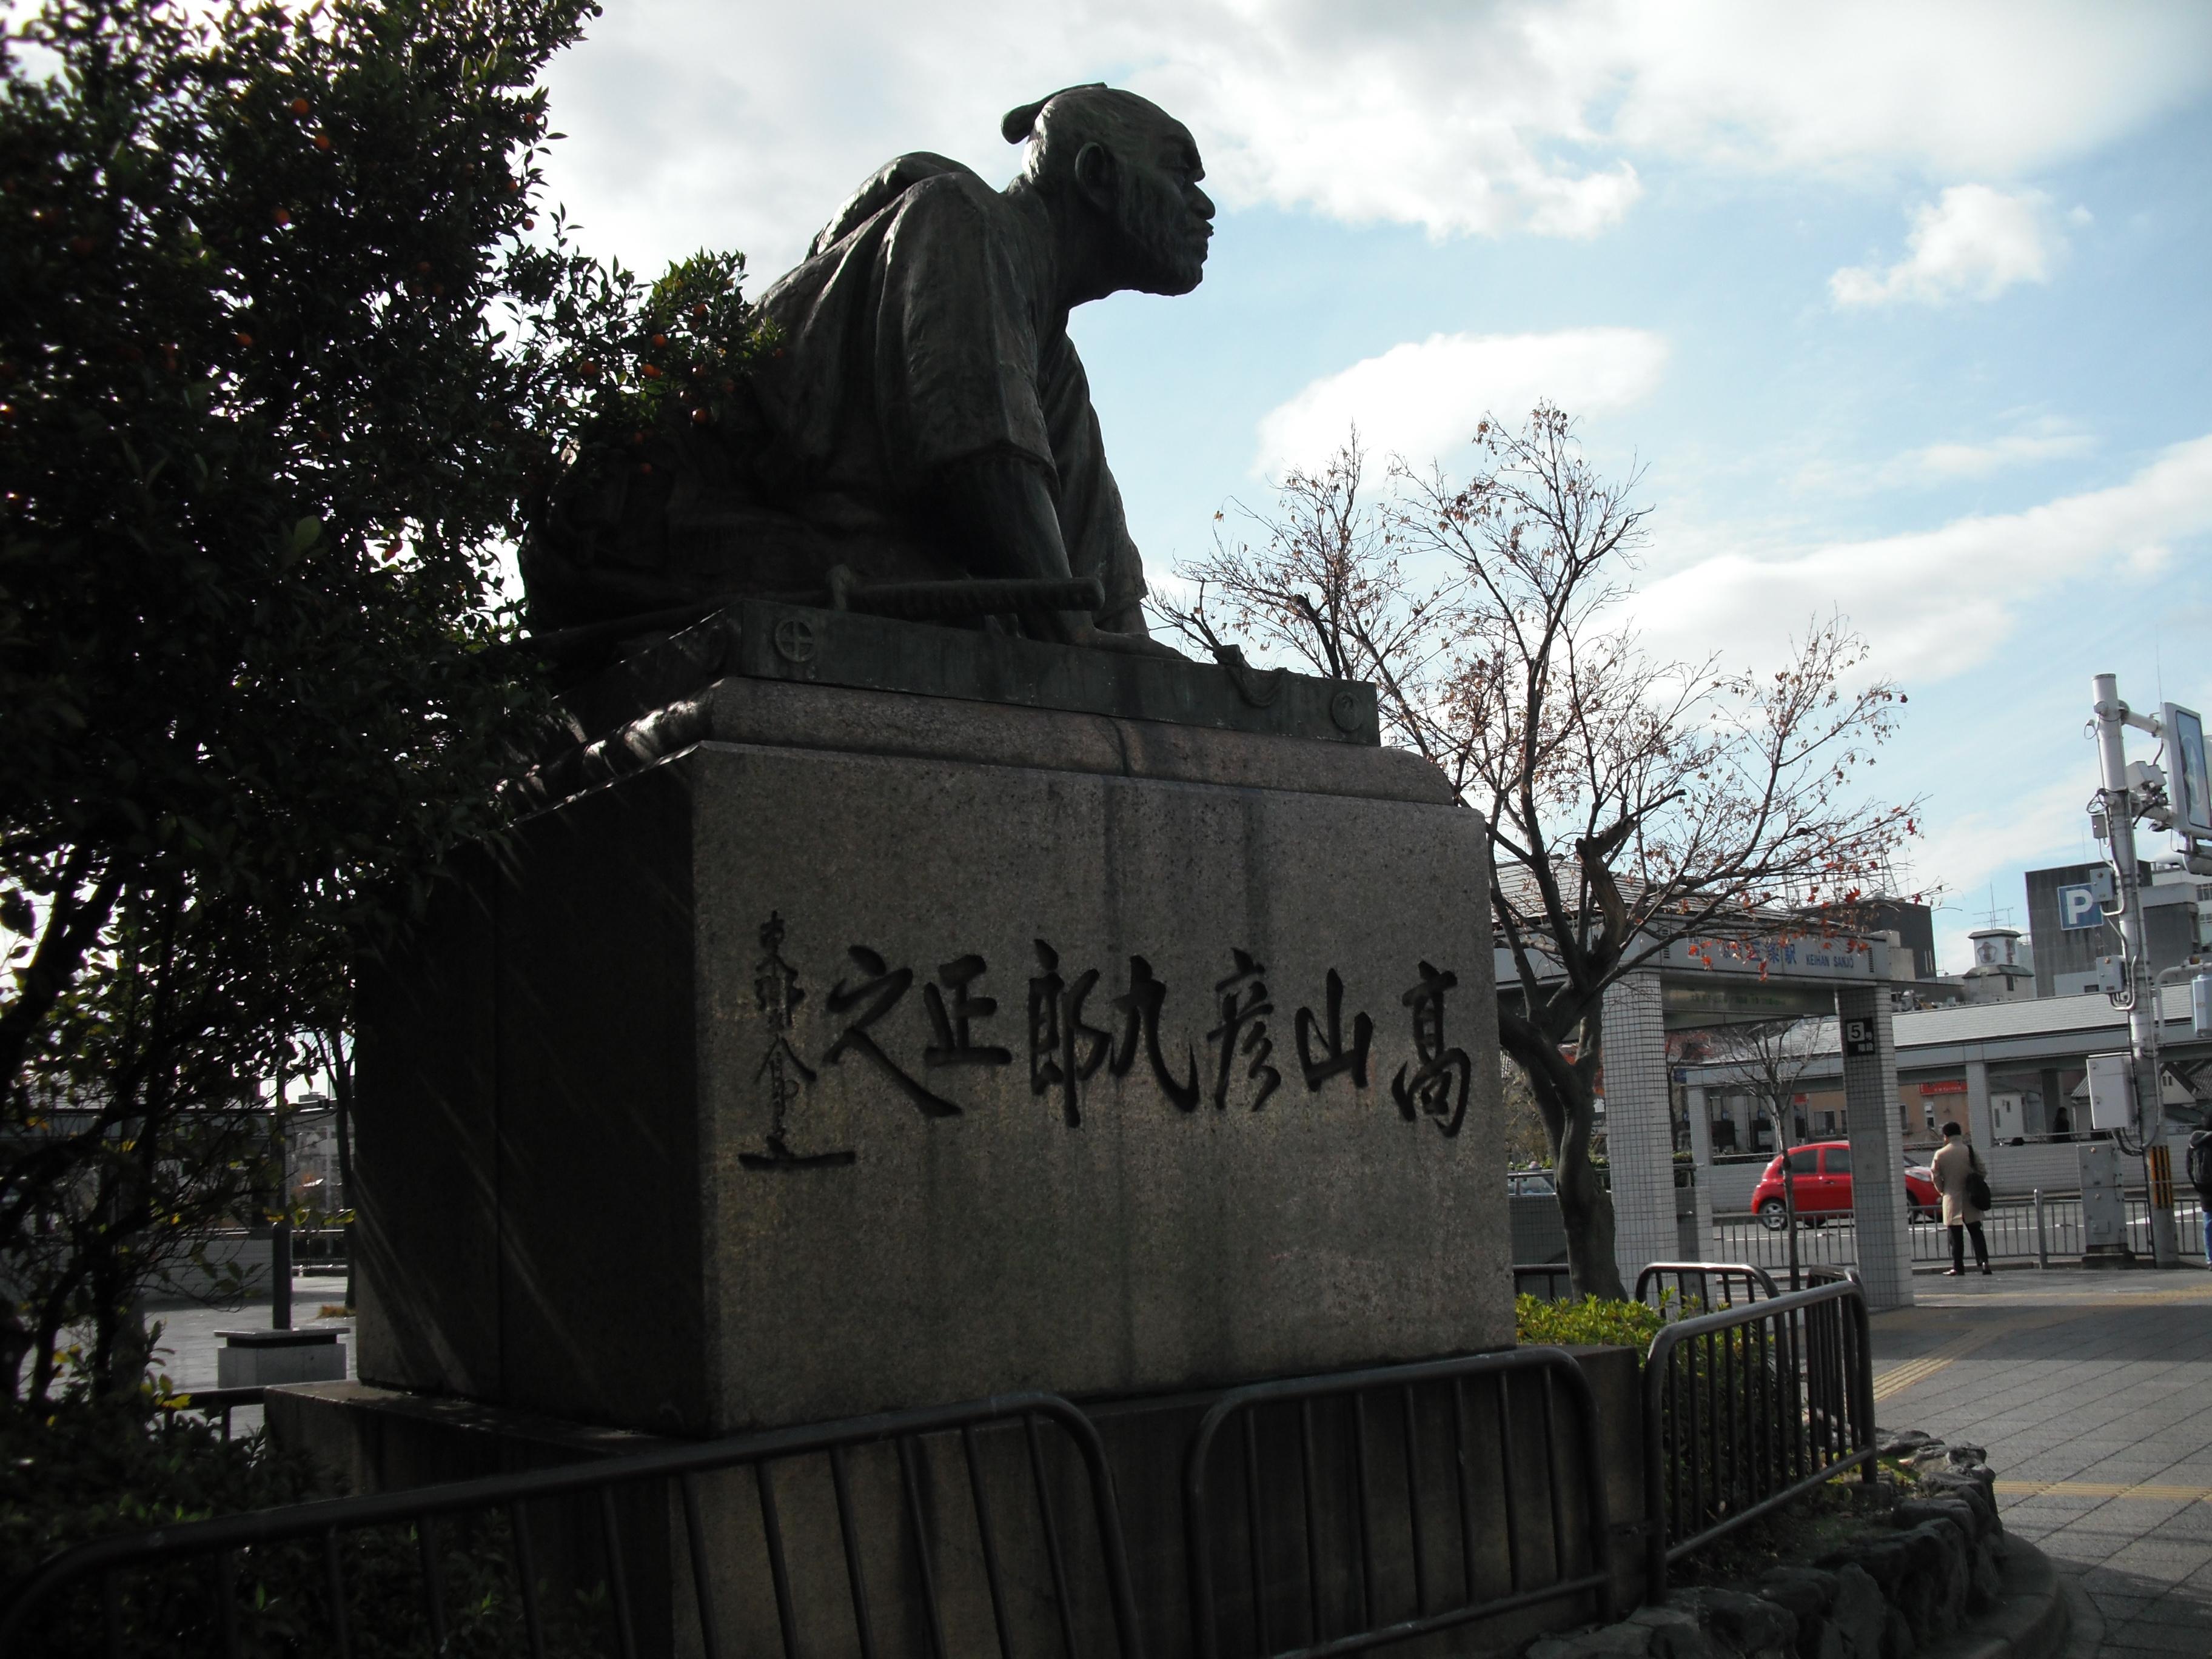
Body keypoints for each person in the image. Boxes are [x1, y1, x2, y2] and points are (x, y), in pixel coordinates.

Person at [523, 84, 1215, 655]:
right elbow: (985, 463)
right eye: (1181, 173)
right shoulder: (962, 219)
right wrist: (1068, 632)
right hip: (639, 535)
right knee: (980, 620)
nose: (1204, 207)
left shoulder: (1053, 359)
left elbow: (1097, 577)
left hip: (809, 537)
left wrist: (1144, 666)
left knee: (988, 612)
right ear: (1097, 175)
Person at [1931, 1120, 1991, 1276]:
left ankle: (1958, 1267)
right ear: (1960, 1134)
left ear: (1946, 1136)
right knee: (1976, 1233)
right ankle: (1984, 1263)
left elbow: (1935, 1177)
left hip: (1951, 1198)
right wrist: (1974, 1182)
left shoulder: (1940, 1154)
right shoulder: (1969, 1151)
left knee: (1955, 1236)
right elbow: (1983, 1170)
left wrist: (1943, 1191)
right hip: (1971, 1198)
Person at [2187, 1128, 2212, 1265]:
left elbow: (2189, 1170)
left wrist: (2199, 1189)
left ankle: (2210, 1259)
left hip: (2204, 1192)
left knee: (2209, 1226)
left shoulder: (2194, 1147)